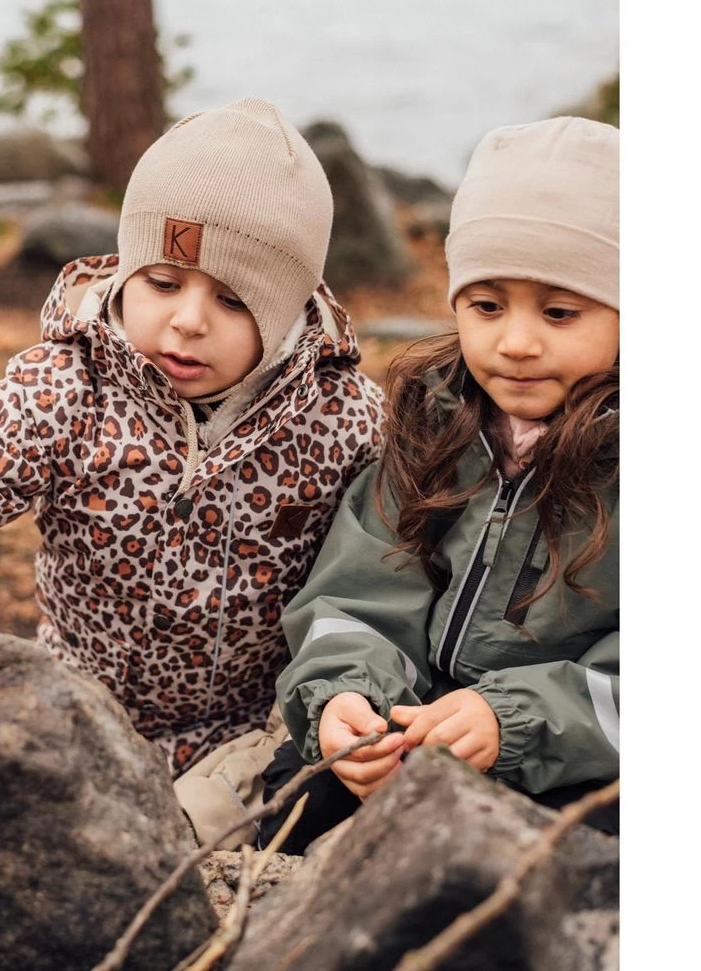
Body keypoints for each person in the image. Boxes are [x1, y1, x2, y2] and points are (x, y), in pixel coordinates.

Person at [0, 99, 384, 814]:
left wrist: (285, 738)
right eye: (162, 283)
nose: (187, 320)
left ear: (287, 313)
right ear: (128, 272)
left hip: (247, 739)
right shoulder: (72, 385)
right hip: (77, 713)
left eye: (233, 302)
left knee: (215, 836)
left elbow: (372, 583)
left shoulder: (341, 420)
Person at [259, 116, 620, 854]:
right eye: (487, 305)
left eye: (559, 311)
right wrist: (348, 698)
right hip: (420, 728)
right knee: (297, 797)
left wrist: (512, 719)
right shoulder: (434, 429)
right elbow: (358, 591)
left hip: (579, 754)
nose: (516, 342)